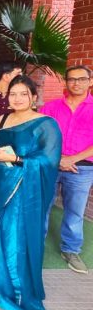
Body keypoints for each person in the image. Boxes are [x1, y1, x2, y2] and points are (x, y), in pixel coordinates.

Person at [0, 75, 61, 310]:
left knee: (14, 232)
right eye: (13, 94)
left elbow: (49, 160)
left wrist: (16, 159)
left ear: (34, 97)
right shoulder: (2, 119)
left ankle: (16, 288)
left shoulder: (46, 124)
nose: (18, 98)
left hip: (24, 187)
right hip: (0, 183)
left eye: (23, 94)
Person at [40, 65, 93, 274]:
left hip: (82, 168)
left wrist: (72, 159)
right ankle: (36, 246)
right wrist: (59, 158)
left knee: (75, 211)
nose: (76, 83)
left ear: (90, 81)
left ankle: (70, 250)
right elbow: (41, 135)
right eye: (72, 79)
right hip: (51, 164)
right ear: (66, 81)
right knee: (42, 206)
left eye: (81, 79)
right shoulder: (51, 107)